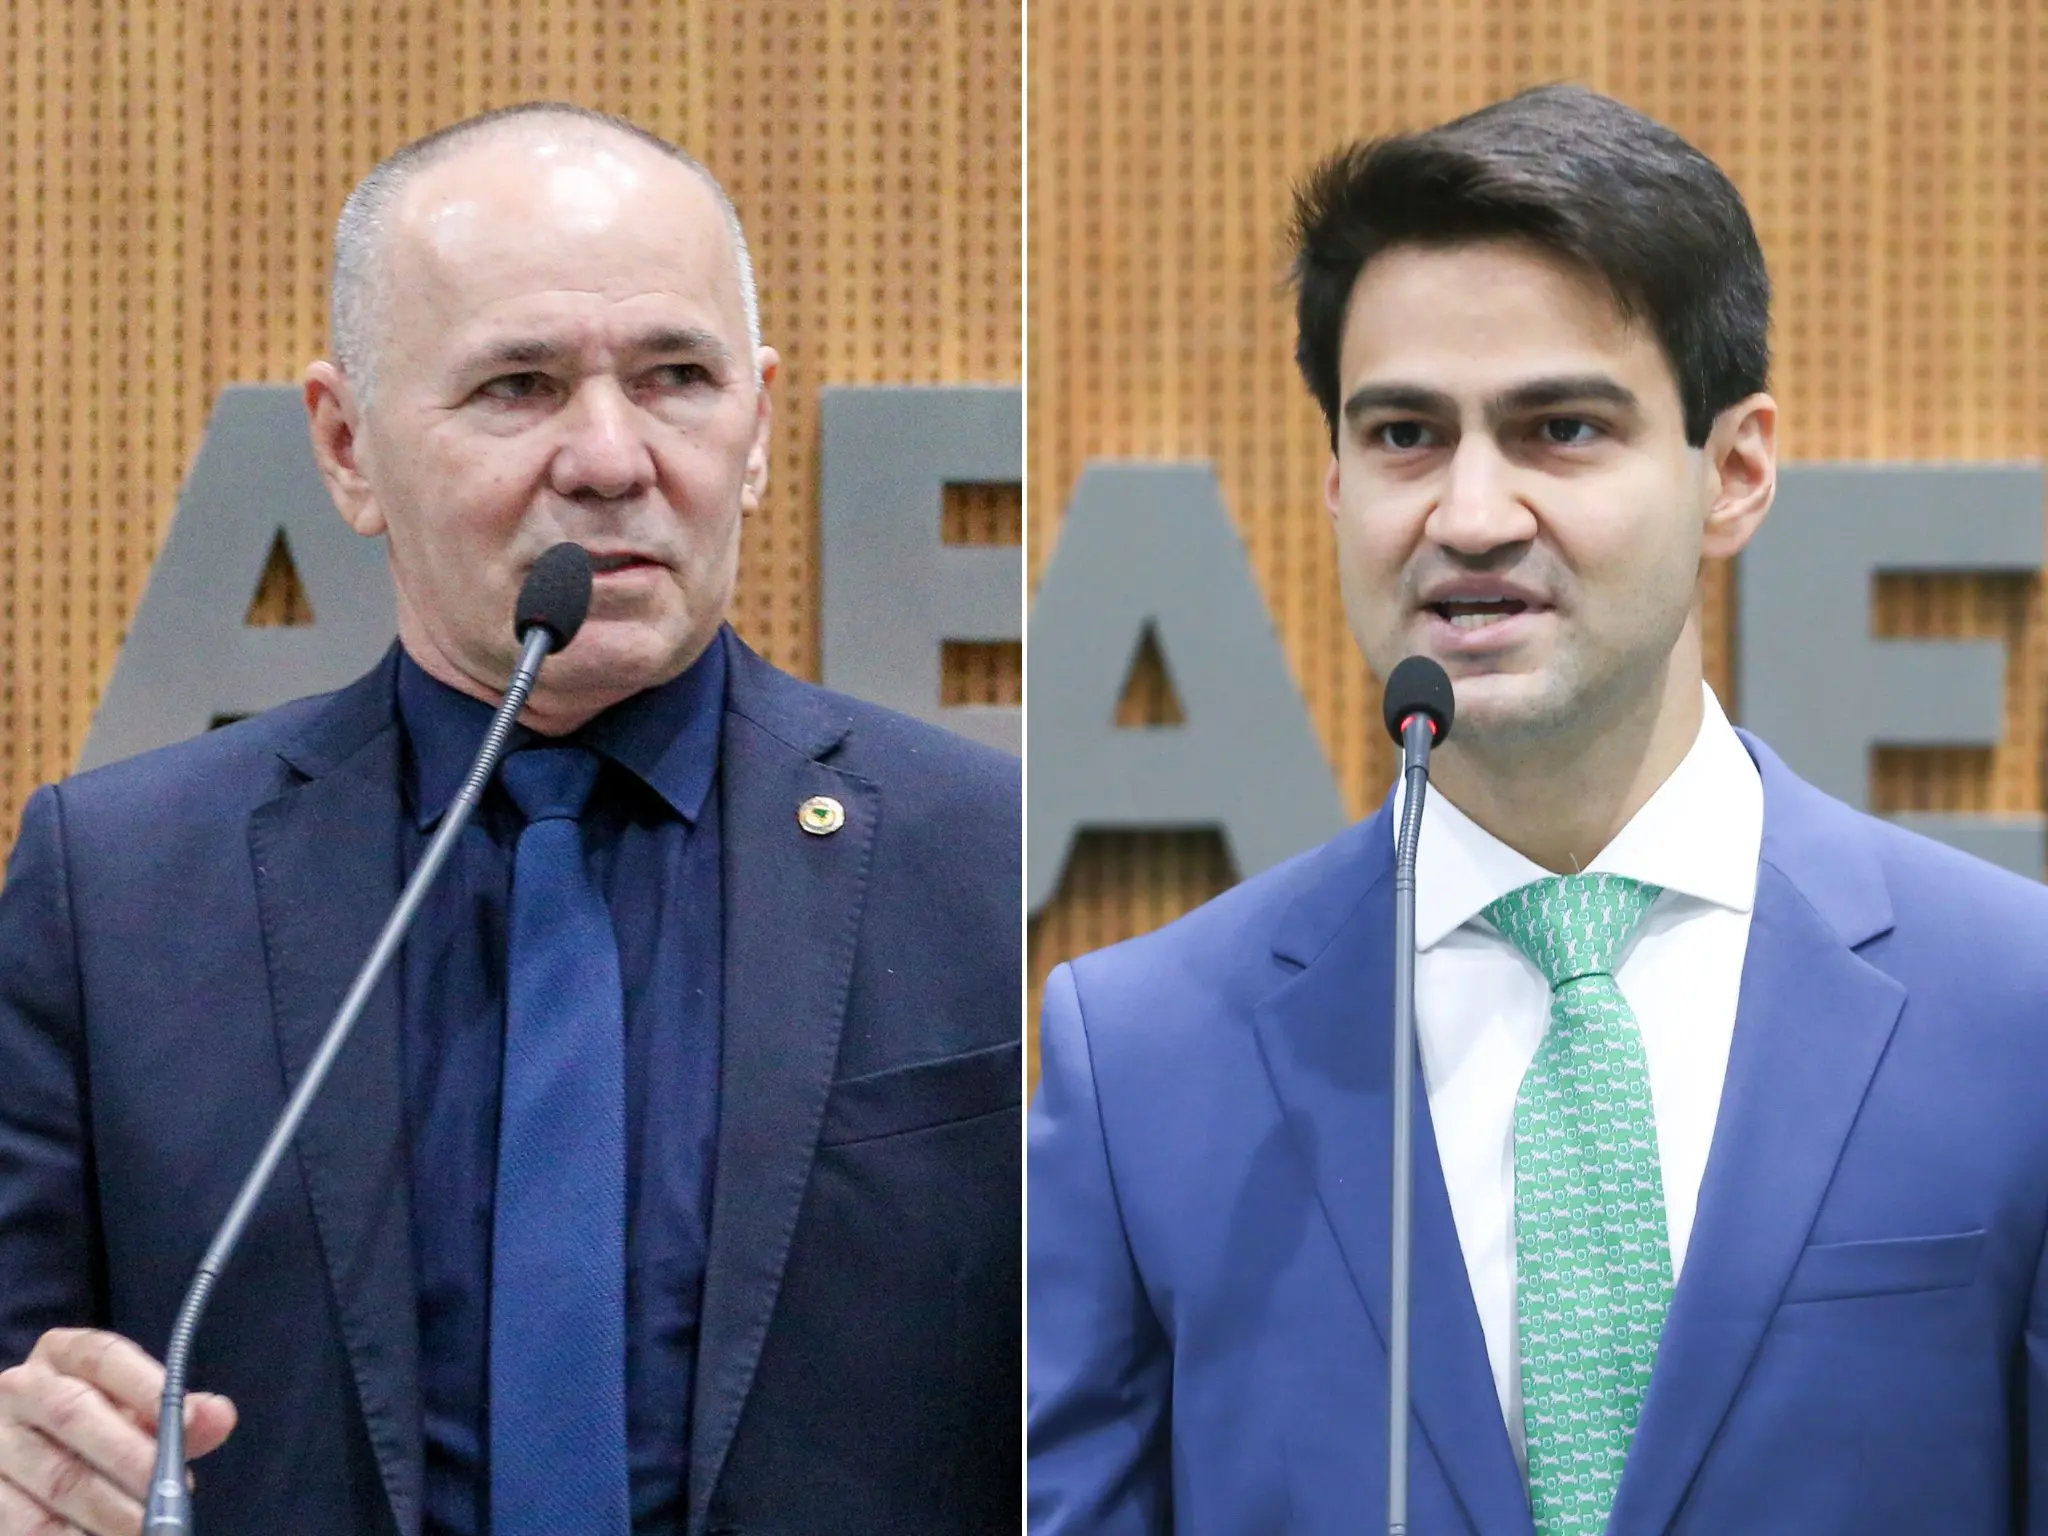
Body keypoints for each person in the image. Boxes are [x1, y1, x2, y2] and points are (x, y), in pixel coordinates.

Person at [1027, 83, 2048, 1535]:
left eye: (1560, 428)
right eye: (1403, 436)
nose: (1471, 514)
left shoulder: (2019, 1010)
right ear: (1331, 479)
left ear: (1735, 472)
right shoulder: (1142, 1059)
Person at [0, 103, 1019, 1536]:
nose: (611, 458)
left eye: (677, 377)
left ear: (762, 426)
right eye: (518, 388)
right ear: (348, 447)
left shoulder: (980, 853)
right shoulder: (113, 892)